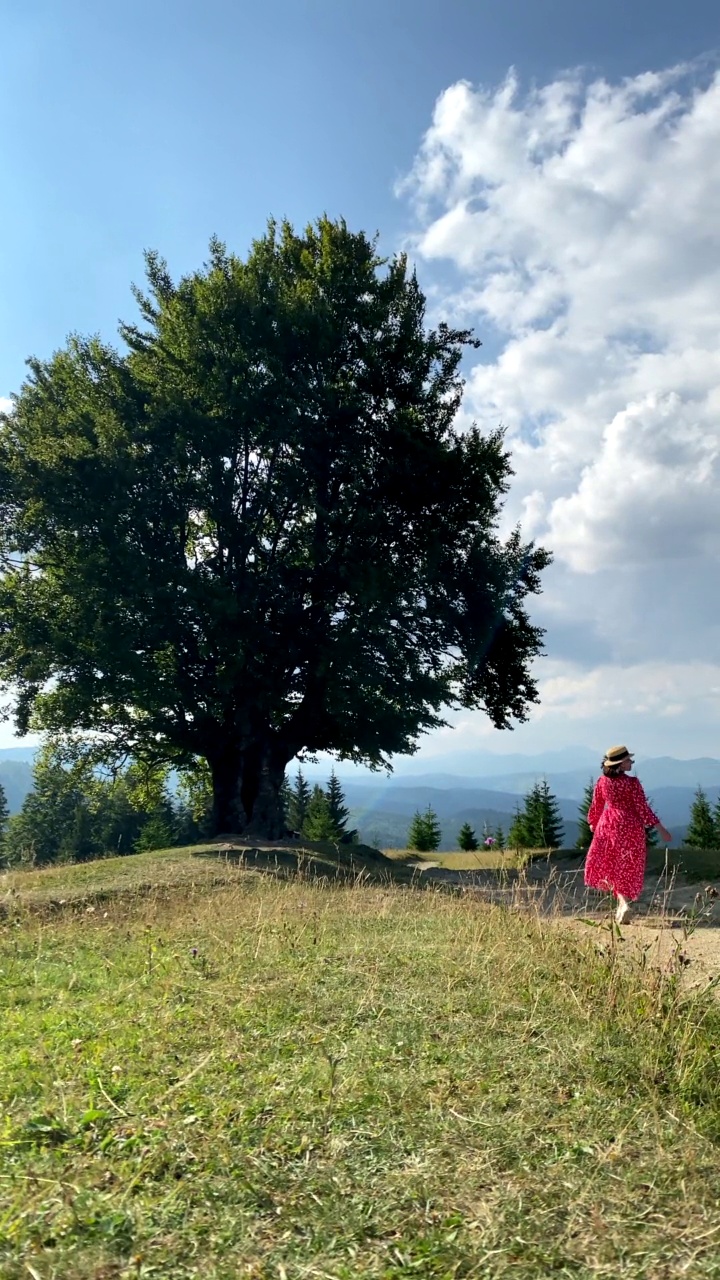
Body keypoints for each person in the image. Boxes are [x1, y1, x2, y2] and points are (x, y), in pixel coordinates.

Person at [584, 744, 672, 924]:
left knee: (611, 865)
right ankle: (623, 904)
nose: (631, 762)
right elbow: (643, 809)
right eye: (628, 760)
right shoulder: (632, 783)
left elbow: (597, 805)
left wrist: (593, 822)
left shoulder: (602, 782)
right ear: (620, 764)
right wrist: (660, 828)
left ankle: (622, 905)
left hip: (608, 825)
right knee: (626, 865)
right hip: (630, 826)